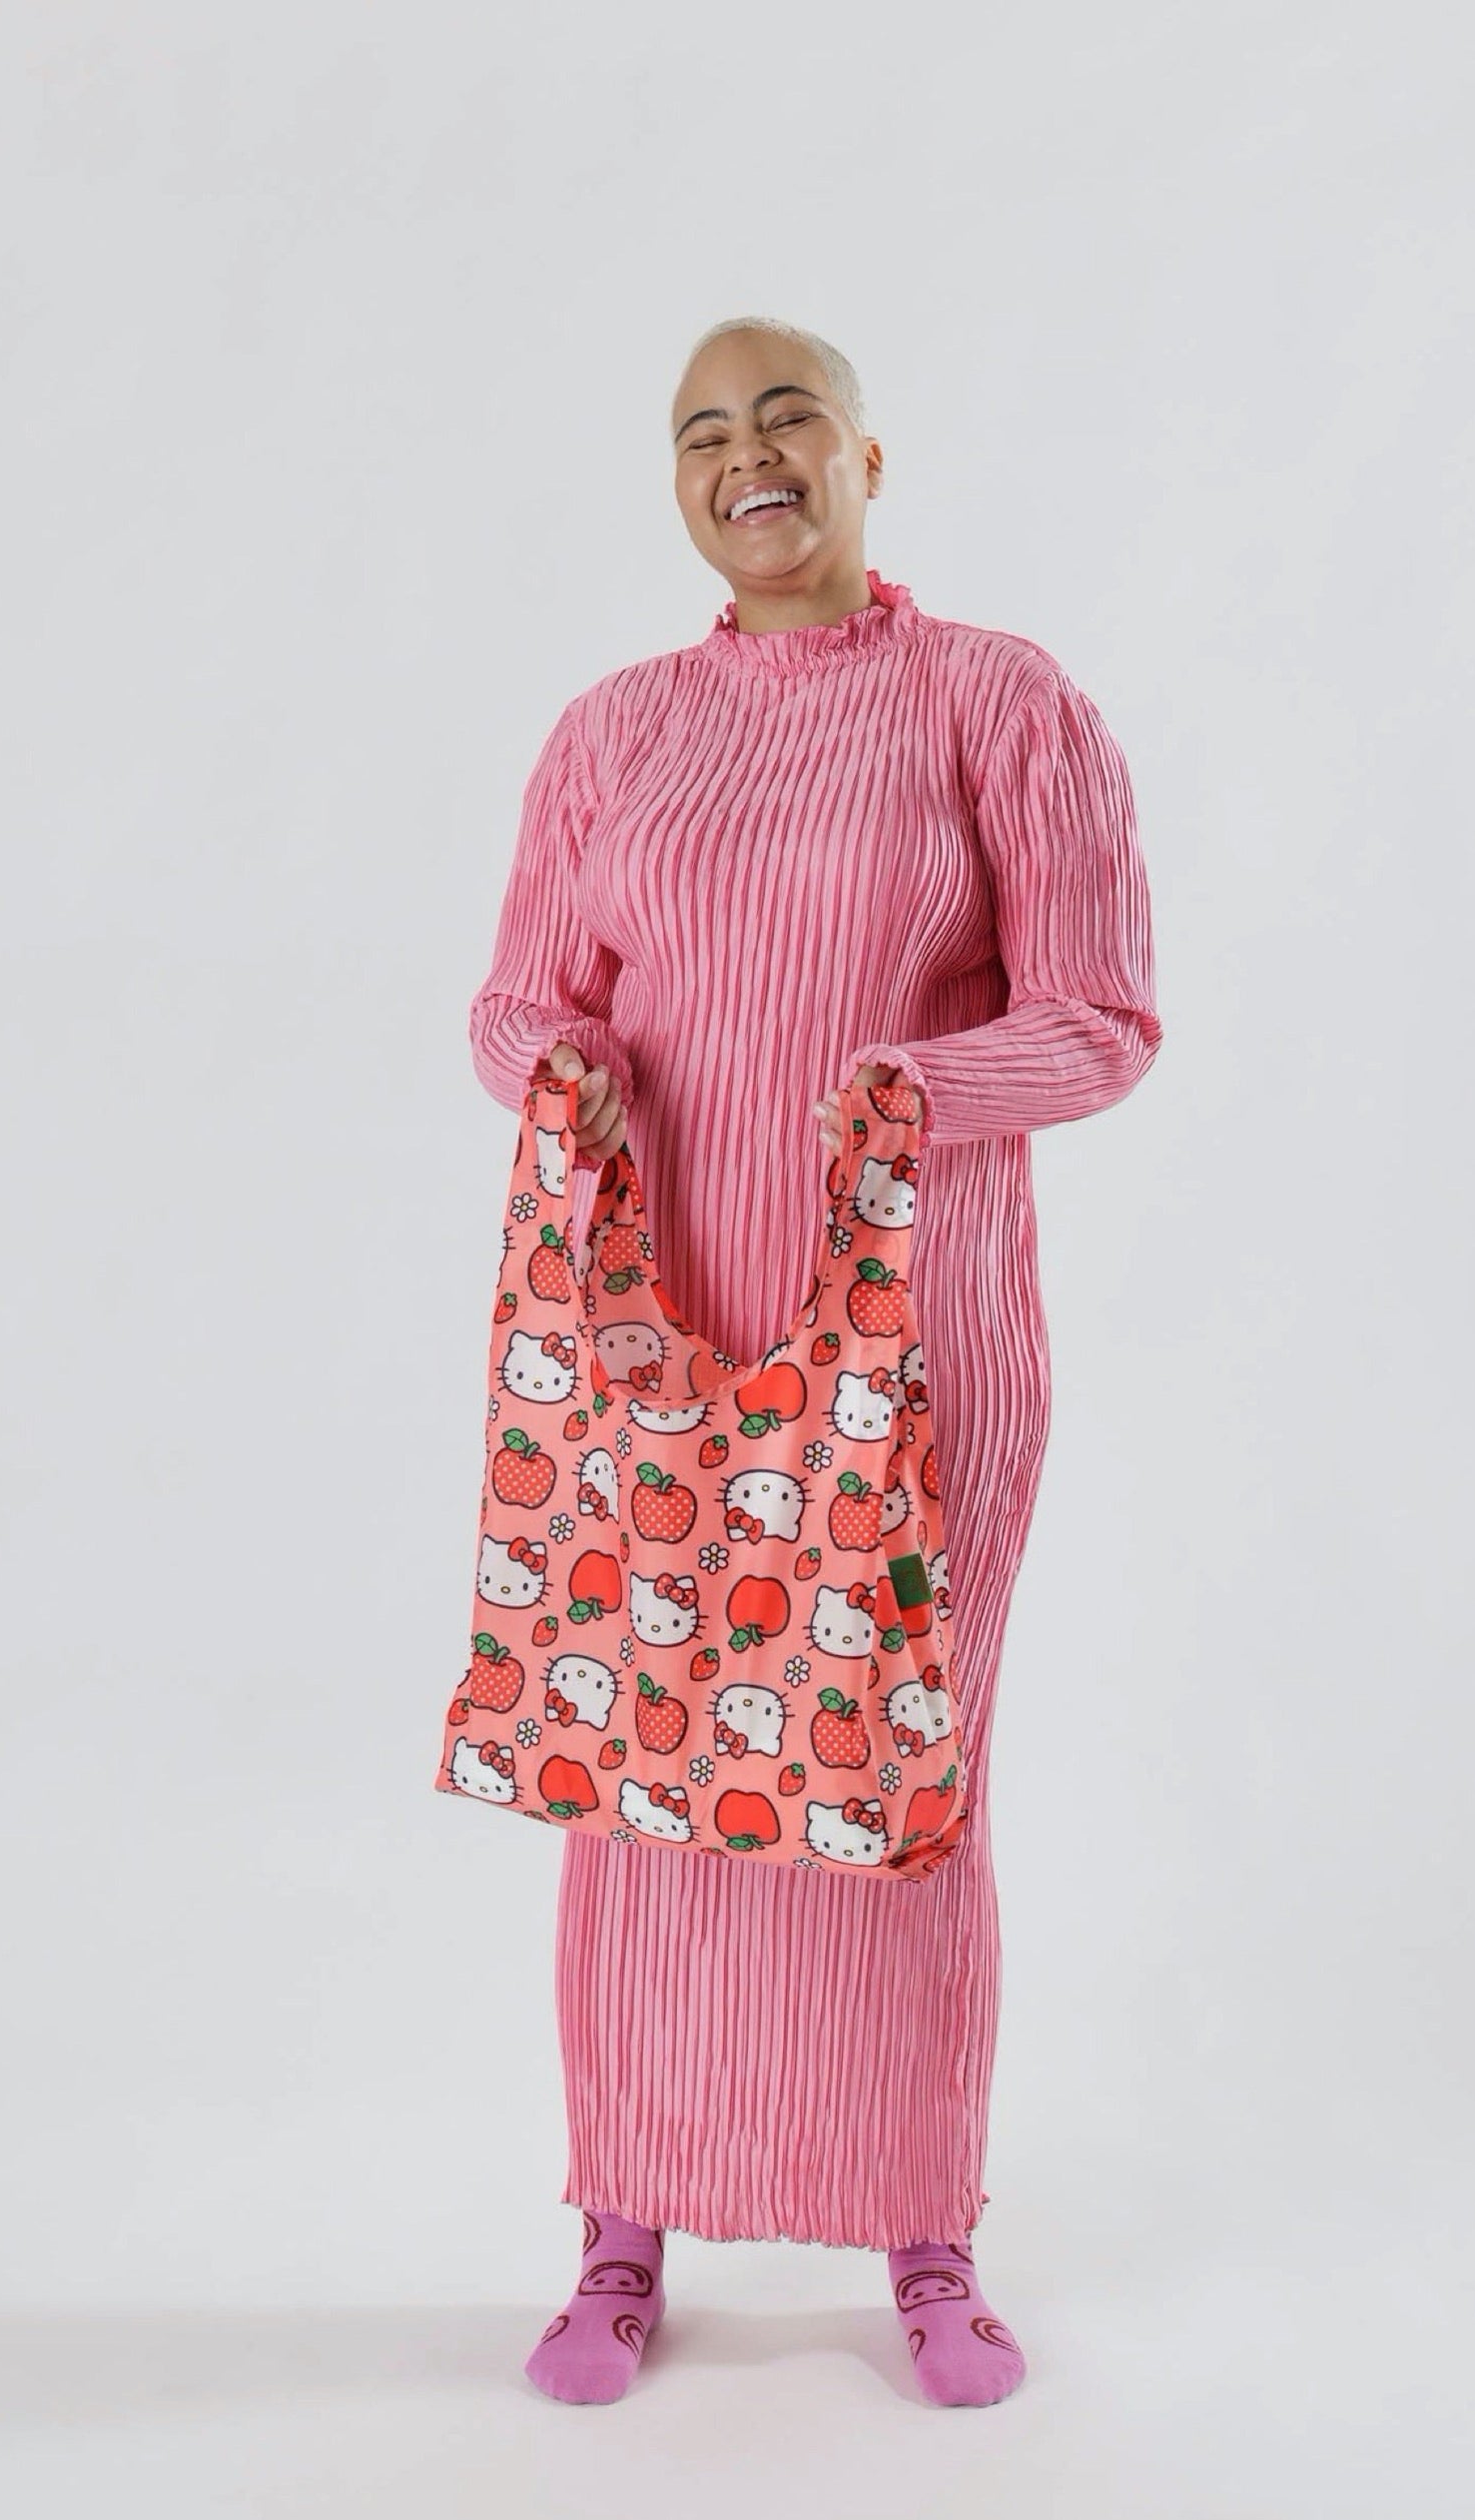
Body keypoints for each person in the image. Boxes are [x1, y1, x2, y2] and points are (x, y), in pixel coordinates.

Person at [462, 316, 1162, 2407]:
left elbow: (1105, 1017)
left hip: (912, 1339)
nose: (747, 456)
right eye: (704, 430)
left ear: (868, 456)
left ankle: (927, 2240)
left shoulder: (997, 702)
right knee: (643, 1767)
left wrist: (916, 1088)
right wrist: (564, 1064)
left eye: (788, 417)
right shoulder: (618, 730)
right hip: (649, 1336)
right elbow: (511, 1003)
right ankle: (623, 2229)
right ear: (677, 482)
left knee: (892, 1771)